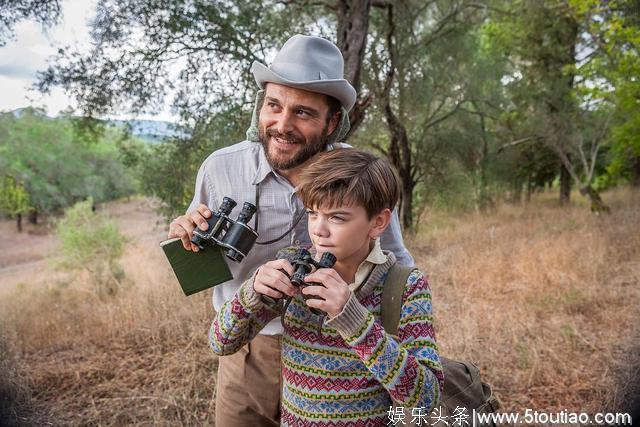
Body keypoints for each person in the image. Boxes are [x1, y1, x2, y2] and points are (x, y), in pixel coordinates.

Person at [167, 35, 414, 426]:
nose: (282, 125)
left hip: (341, 354)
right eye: (273, 106)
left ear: (332, 122)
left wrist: (395, 356)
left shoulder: (359, 175)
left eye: (303, 113)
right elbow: (201, 265)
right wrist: (187, 238)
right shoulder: (220, 169)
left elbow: (396, 263)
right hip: (248, 348)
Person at [210, 148, 444, 426]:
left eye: (337, 218)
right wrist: (252, 292)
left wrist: (353, 320)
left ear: (378, 222)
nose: (319, 230)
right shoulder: (296, 267)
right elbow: (221, 343)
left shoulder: (405, 286)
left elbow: (426, 398)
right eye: (312, 213)